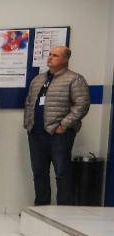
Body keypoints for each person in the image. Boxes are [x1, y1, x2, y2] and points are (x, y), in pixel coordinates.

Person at [24, 45, 90, 205]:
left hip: (59, 134)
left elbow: (82, 105)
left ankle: (64, 210)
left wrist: (64, 125)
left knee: (62, 172)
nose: (50, 58)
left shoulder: (75, 79)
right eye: (50, 54)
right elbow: (29, 102)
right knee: (39, 172)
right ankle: (41, 207)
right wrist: (29, 124)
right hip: (36, 133)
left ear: (65, 59)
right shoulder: (38, 79)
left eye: (55, 55)